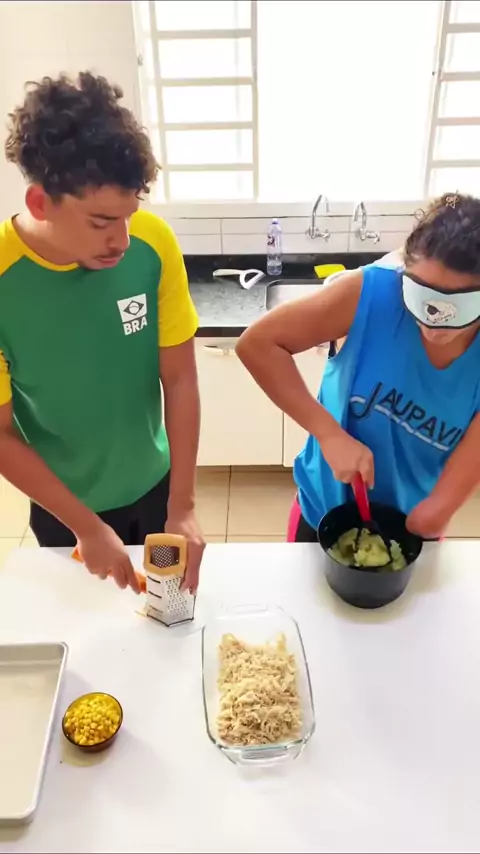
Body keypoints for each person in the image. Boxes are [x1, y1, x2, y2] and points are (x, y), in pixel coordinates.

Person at [0, 71, 204, 592]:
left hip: (157, 489)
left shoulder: (153, 245)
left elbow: (180, 378)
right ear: (40, 202)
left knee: (165, 612)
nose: (122, 239)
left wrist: (182, 505)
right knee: (88, 624)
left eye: (129, 215)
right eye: (100, 221)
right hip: (63, 508)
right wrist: (86, 526)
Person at [236, 194, 480, 542]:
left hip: (413, 522)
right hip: (323, 509)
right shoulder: (372, 293)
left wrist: (441, 506)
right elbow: (258, 344)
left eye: (458, 308)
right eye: (423, 298)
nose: (434, 324)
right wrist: (329, 434)